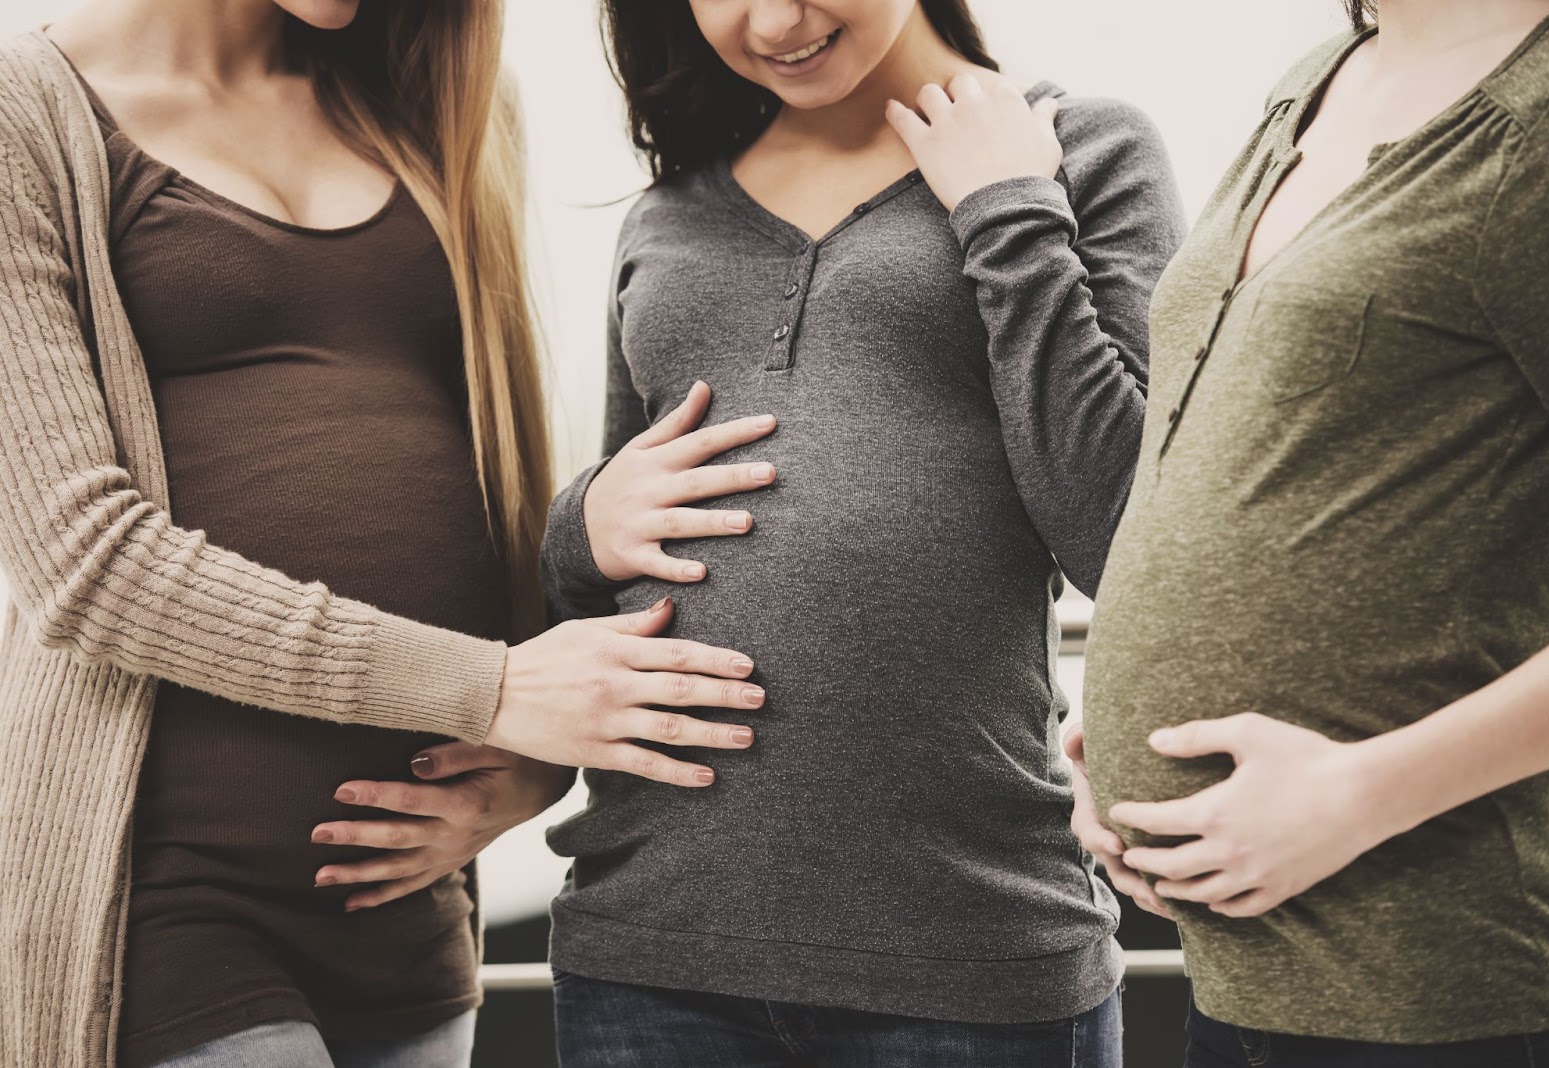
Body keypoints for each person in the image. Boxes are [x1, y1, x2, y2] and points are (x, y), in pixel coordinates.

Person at [0, 0, 775, 1064]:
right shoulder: (24, 112)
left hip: (409, 898)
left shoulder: (441, 94)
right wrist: (495, 689)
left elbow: (495, 460)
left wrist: (524, 769)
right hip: (164, 887)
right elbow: (87, 562)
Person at [538, 1, 1187, 1063]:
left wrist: (1007, 210)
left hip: (970, 953)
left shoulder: (1079, 149)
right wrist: (578, 527)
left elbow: (1122, 535)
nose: (777, 19)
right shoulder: (666, 214)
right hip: (648, 950)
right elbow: (589, 591)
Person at [1069, 0, 1549, 1064]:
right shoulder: (1327, 73)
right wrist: (1123, 748)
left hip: (1448, 987)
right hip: (1251, 973)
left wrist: (1364, 791)